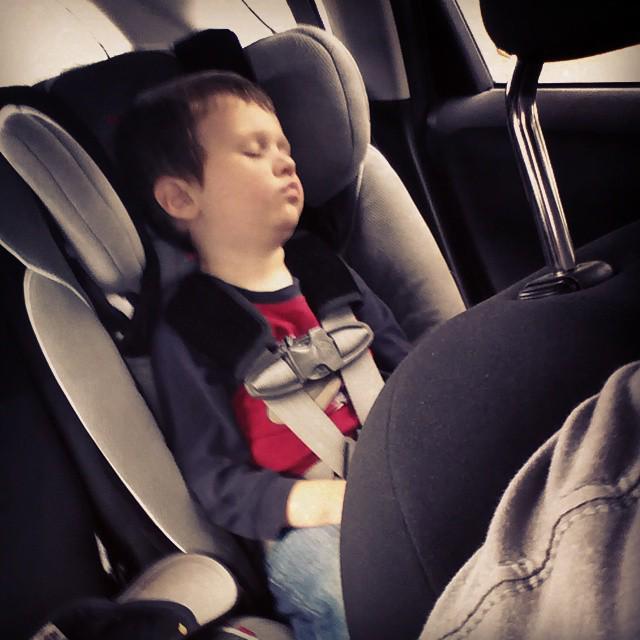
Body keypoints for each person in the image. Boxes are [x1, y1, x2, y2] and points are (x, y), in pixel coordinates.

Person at [115, 70, 410, 639]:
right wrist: (317, 502)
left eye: (285, 147)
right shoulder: (191, 327)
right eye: (254, 150)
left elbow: (410, 367)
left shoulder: (327, 275)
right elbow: (216, 478)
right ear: (181, 197)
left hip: (399, 471)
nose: (285, 161)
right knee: (344, 593)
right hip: (310, 528)